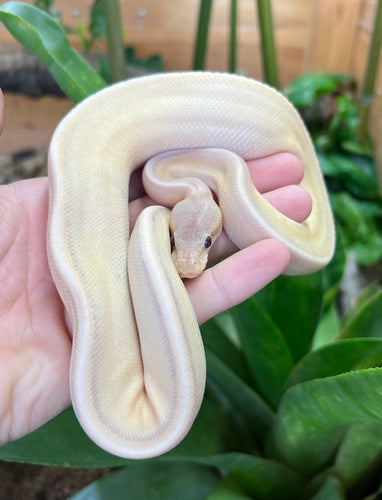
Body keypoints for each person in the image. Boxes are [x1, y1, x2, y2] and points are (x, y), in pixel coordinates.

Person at [0, 88, 311, 445]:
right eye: (177, 243)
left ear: (216, 225)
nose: (189, 262)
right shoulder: (171, 208)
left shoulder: (184, 208)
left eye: (206, 243)